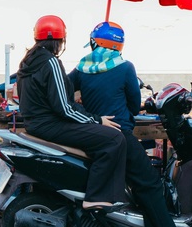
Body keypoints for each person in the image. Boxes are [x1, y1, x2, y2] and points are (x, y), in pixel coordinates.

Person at [69, 21, 192, 227]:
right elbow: (134, 105)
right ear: (118, 45)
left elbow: (67, 91)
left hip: (92, 133)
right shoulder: (125, 68)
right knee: (150, 184)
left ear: (94, 42)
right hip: (119, 135)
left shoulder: (82, 68)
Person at [16, 15, 127, 211]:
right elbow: (64, 108)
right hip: (51, 125)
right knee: (114, 139)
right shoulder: (51, 62)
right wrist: (97, 120)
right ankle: (96, 197)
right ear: (60, 41)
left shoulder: (28, 62)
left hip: (36, 124)